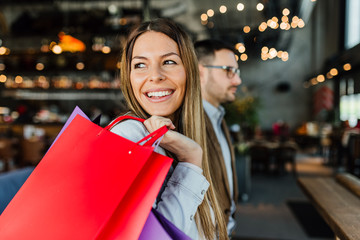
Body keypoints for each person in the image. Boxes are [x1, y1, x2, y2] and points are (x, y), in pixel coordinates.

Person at [110, 19, 228, 240]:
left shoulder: (184, 138)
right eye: (140, 65)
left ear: (189, 72)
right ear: (129, 78)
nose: (155, 75)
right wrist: (191, 162)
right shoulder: (128, 139)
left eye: (170, 62)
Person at [194, 39, 242, 236]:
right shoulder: (188, 122)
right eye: (228, 70)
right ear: (201, 72)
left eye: (237, 72)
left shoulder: (217, 116)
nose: (237, 80)